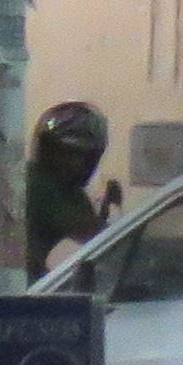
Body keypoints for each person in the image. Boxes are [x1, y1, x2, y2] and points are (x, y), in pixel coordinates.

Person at [23, 102, 110, 275]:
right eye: (65, 152)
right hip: (23, 283)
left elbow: (95, 239)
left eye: (78, 155)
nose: (71, 162)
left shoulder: (71, 192)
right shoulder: (37, 184)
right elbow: (89, 232)